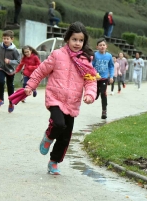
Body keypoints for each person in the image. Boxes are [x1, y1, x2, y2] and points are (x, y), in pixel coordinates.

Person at [23, 21, 97, 175]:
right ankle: (48, 137)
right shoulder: (57, 55)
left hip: (72, 103)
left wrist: (90, 94)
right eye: (74, 39)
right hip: (55, 98)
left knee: (65, 137)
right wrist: (30, 86)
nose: (77, 43)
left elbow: (90, 80)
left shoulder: (85, 60)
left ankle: (54, 162)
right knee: (58, 123)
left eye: (81, 40)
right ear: (67, 39)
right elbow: (40, 71)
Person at [0, 30, 20, 113]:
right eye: (4, 38)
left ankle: (11, 103)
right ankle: (0, 99)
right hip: (1, 67)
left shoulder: (14, 50)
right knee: (1, 81)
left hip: (10, 69)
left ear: (12, 39)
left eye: (7, 38)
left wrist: (10, 62)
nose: (5, 40)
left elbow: (18, 61)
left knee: (10, 86)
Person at [92, 38, 114, 119]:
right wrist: (93, 74)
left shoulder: (109, 56)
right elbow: (91, 65)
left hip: (104, 78)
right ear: (97, 47)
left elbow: (111, 66)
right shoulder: (95, 55)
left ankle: (104, 111)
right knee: (96, 94)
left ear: (106, 46)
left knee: (103, 93)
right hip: (95, 78)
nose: (102, 46)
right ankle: (96, 95)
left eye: (103, 45)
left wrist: (111, 76)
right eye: (100, 45)